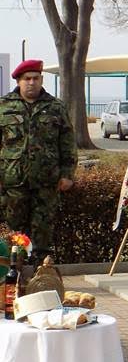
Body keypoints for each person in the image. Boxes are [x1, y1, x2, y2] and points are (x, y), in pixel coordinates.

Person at [0, 59, 77, 260]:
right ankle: (14, 278)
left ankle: (40, 277)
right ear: (18, 81)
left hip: (47, 183)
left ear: (42, 80)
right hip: (13, 182)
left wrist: (67, 174)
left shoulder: (56, 107)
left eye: (35, 78)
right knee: (15, 234)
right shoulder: (4, 106)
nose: (31, 82)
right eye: (27, 79)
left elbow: (67, 143)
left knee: (43, 233)